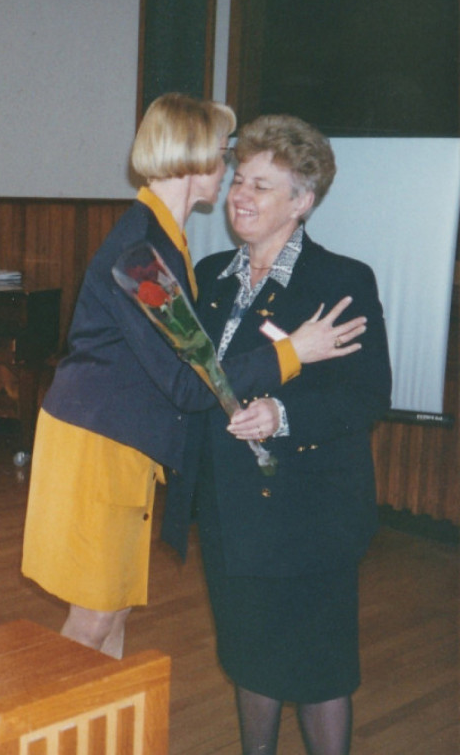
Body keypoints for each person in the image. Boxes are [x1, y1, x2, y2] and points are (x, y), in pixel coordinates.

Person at [21, 93, 368, 660]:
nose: (229, 168)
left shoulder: (167, 241)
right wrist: (294, 352)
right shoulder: (140, 253)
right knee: (92, 620)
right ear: (193, 157)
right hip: (97, 450)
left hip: (122, 447)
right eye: (222, 152)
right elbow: (188, 382)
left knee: (115, 611)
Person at [164, 114, 392, 755]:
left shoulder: (341, 281)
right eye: (241, 179)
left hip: (311, 511)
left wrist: (281, 416)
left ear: (303, 201)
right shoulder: (209, 275)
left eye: (263, 186)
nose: (240, 195)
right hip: (230, 507)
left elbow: (367, 396)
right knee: (248, 655)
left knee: (319, 670)